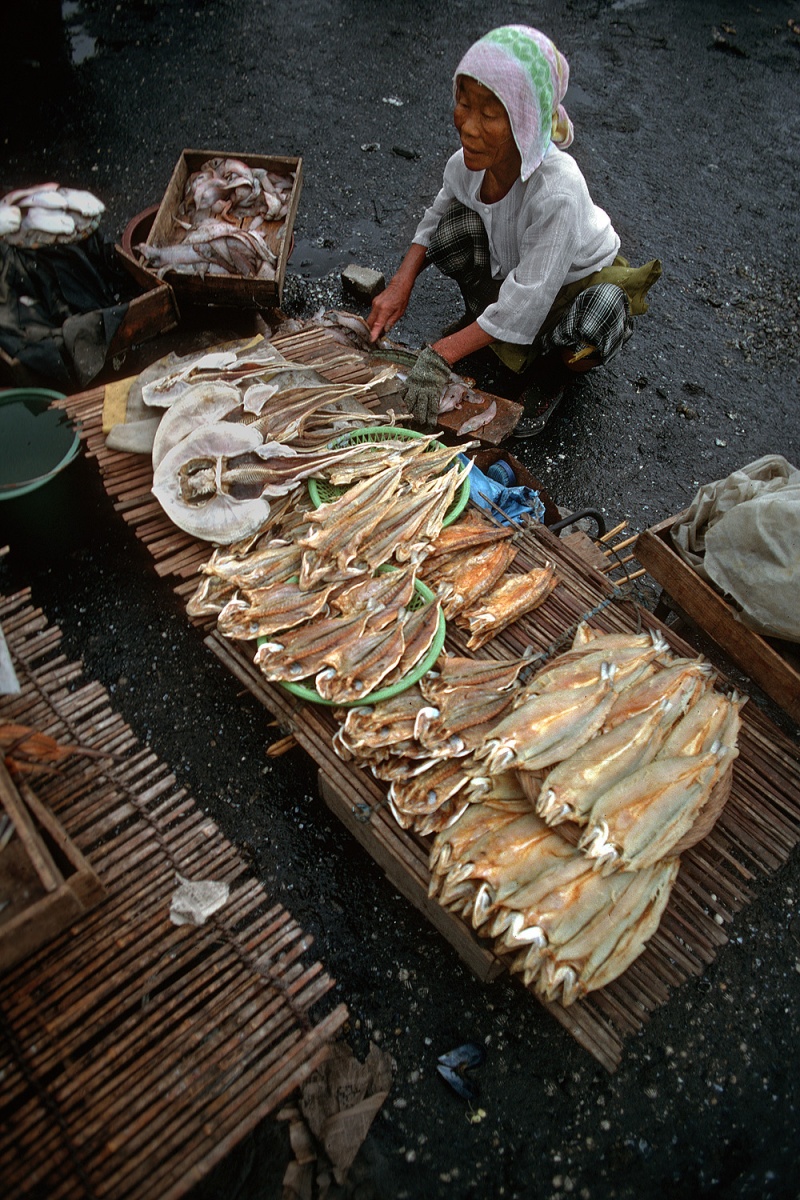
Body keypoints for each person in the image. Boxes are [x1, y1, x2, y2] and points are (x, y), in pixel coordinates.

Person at [366, 25, 661, 436]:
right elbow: (436, 215)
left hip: (571, 287)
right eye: (463, 104)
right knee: (451, 231)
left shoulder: (557, 190)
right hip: (516, 270)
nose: (468, 127)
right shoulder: (468, 164)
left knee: (601, 316)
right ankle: (483, 327)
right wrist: (402, 281)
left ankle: (551, 373)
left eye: (489, 114)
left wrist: (440, 353)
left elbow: (528, 300)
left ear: (525, 122)